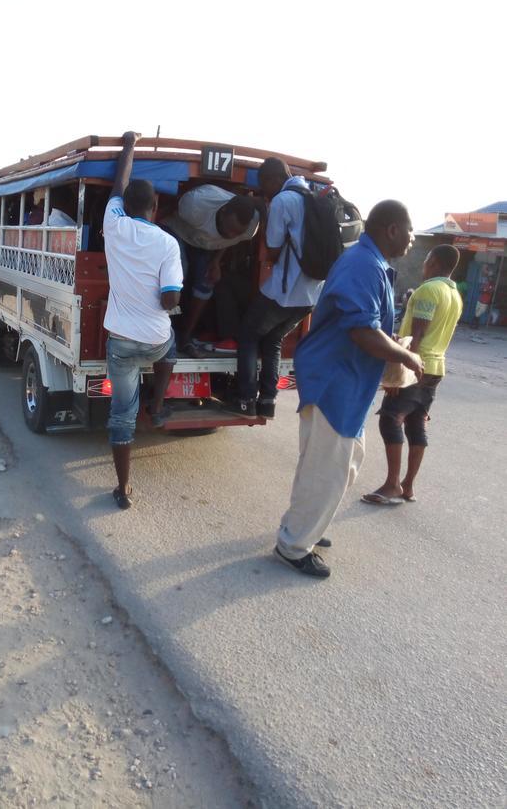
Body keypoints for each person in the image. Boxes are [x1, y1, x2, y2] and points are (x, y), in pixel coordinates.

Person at [273, 200, 424, 578]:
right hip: (334, 381)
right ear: (392, 228)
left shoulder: (371, 263)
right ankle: (293, 545)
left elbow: (368, 326)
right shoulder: (362, 264)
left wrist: (390, 348)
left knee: (333, 464)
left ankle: (307, 523)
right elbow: (361, 331)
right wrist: (407, 359)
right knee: (327, 469)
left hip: (346, 381)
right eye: (409, 230)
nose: (412, 239)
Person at [104, 132, 184, 509]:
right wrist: (169, 296)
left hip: (121, 341)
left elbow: (118, 185)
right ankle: (158, 403)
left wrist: (129, 146)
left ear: (126, 205)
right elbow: (170, 299)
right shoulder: (168, 244)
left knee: (122, 414)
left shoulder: (114, 225)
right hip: (154, 341)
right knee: (173, 343)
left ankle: (123, 488)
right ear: (156, 205)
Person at [361, 245, 462, 505]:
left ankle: (393, 484)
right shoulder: (455, 294)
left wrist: (401, 373)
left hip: (417, 366)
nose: (423, 265)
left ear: (436, 262)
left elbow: (417, 336)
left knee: (390, 420)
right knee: (416, 423)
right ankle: (408, 486)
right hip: (435, 368)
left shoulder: (429, 290)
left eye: (426, 259)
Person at [230, 157, 323, 418]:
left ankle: (246, 400)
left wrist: (267, 212)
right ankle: (267, 401)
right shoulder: (313, 196)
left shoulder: (284, 200)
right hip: (311, 295)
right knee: (273, 339)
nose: (264, 191)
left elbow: (271, 249)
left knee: (248, 334)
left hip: (285, 290)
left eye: (264, 185)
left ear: (273, 180)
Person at [162, 184, 258, 353]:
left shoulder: (250, 227)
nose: (231, 235)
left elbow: (229, 240)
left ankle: (186, 335)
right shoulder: (195, 205)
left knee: (207, 282)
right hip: (177, 231)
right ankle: (164, 331)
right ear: (222, 212)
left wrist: (216, 261)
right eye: (229, 229)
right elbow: (165, 209)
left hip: (205, 244)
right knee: (177, 274)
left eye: (237, 233)